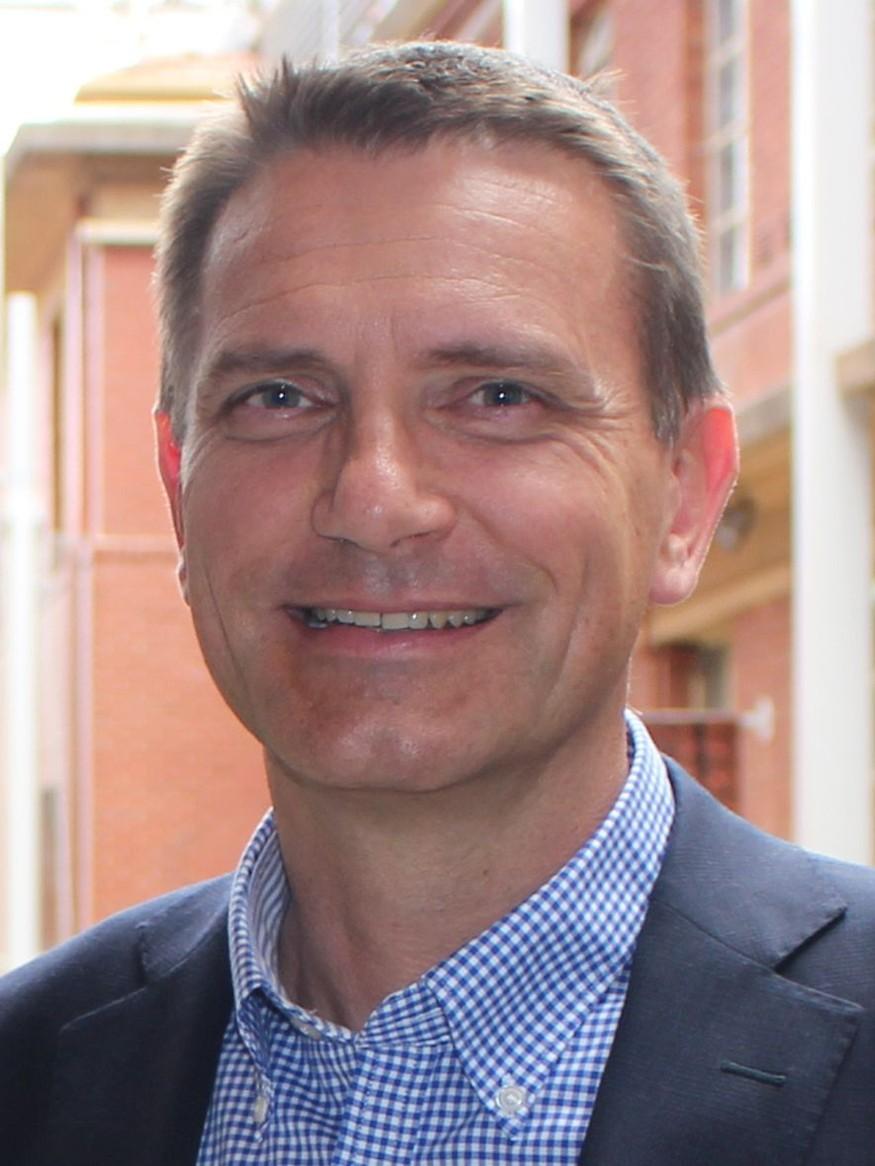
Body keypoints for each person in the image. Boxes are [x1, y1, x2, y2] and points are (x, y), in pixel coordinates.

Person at [2, 40, 874, 1166]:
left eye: (497, 396)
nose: (372, 497)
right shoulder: (26, 1076)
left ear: (683, 494)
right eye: (279, 396)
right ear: (180, 489)